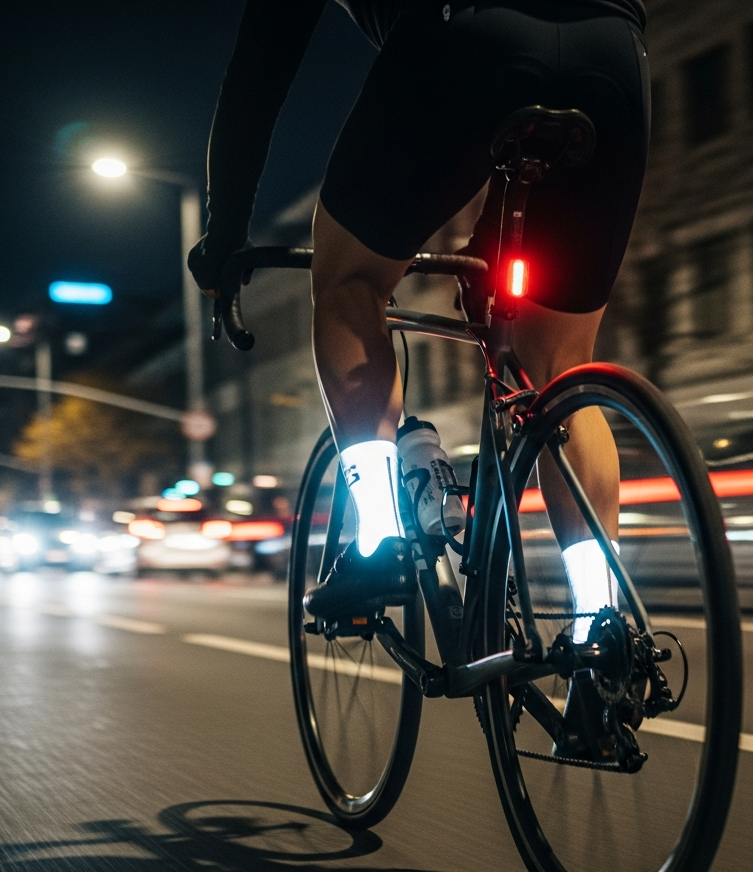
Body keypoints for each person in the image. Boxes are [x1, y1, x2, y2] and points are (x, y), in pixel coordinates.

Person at [189, 0, 649, 640]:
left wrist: (225, 235)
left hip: (464, 34)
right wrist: (491, 229)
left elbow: (258, 73)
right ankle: (602, 628)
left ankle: (380, 542)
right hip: (615, 52)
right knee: (560, 368)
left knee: (349, 281)